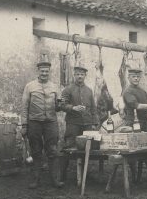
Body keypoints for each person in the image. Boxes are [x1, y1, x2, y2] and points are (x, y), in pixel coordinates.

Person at [21, 54, 64, 189]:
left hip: (51, 122)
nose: (44, 73)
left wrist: (59, 105)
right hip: (34, 122)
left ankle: (55, 180)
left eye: (47, 71)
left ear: (49, 72)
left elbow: (58, 107)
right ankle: (35, 180)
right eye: (42, 71)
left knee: (52, 150)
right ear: (38, 72)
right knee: (36, 151)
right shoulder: (30, 86)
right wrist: (24, 125)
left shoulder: (55, 87)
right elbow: (24, 106)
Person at [61, 63, 99, 148]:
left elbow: (93, 108)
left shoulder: (89, 90)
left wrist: (94, 123)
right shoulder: (68, 89)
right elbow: (62, 105)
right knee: (70, 146)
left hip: (87, 124)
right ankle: (71, 161)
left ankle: (84, 162)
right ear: (74, 75)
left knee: (88, 147)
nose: (80, 76)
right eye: (77, 74)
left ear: (85, 76)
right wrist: (73, 107)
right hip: (73, 124)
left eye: (82, 74)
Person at [122, 67, 147, 132]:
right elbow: (137, 106)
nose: (136, 78)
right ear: (128, 78)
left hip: (145, 124)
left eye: (138, 76)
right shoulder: (128, 91)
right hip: (133, 124)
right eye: (133, 76)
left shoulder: (143, 91)